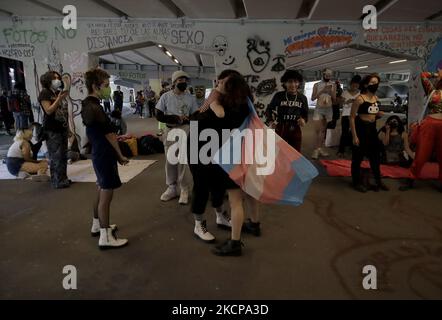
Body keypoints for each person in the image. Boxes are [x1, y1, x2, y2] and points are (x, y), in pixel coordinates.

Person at [210, 72, 260, 256]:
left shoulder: (225, 105)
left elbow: (211, 112)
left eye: (223, 82)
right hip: (247, 152)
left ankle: (235, 242)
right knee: (250, 191)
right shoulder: (247, 102)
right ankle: (255, 224)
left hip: (233, 156)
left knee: (235, 201)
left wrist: (214, 100)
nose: (219, 83)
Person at [188, 72, 241, 243]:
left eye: (226, 82)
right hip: (199, 146)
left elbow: (230, 122)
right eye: (220, 80)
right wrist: (215, 105)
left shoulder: (230, 100)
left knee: (219, 183)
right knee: (201, 185)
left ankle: (220, 216)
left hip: (218, 147)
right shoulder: (214, 97)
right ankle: (198, 224)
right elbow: (210, 116)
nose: (221, 83)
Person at [82, 68, 129, 249]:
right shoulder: (95, 108)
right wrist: (120, 155)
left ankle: (97, 225)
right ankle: (105, 236)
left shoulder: (88, 105)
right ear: (95, 86)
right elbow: (110, 135)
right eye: (106, 85)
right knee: (106, 195)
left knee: (101, 188)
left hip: (98, 153)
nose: (108, 89)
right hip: (104, 154)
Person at [155, 71, 199, 204]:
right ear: (174, 82)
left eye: (185, 80)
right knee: (170, 159)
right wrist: (173, 118)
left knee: (183, 161)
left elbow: (196, 115)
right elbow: (158, 114)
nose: (183, 82)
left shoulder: (190, 98)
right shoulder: (166, 97)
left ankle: (184, 189)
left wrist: (188, 119)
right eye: (180, 80)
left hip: (185, 129)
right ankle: (171, 188)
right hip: (170, 130)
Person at [400, 69, 442, 191]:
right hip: (429, 124)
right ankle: (411, 179)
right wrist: (436, 74)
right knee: (421, 154)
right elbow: (423, 75)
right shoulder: (432, 90)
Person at [350, 73, 389, 193]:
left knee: (375, 157)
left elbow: (373, 114)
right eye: (372, 82)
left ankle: (378, 180)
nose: (375, 85)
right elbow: (351, 118)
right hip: (361, 128)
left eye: (376, 83)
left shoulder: (376, 99)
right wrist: (354, 136)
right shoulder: (359, 99)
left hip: (372, 129)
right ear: (366, 84)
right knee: (358, 157)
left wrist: (378, 115)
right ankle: (356, 182)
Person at [38, 71, 71, 189]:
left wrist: (68, 128)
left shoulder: (56, 92)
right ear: (48, 80)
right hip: (52, 129)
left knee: (63, 155)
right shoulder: (44, 93)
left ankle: (63, 178)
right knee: (56, 156)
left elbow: (63, 112)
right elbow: (49, 110)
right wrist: (59, 99)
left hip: (61, 127)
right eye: (54, 78)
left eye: (58, 78)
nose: (57, 80)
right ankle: (57, 180)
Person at [266, 70, 308, 152]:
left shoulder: (302, 98)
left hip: (295, 128)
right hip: (281, 127)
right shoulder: (279, 95)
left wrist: (303, 120)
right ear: (285, 83)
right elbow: (269, 109)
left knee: (295, 152)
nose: (293, 84)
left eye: (296, 82)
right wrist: (271, 121)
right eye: (290, 82)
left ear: (299, 83)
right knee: (278, 152)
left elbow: (305, 114)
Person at [311, 68, 336, 159]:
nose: (328, 77)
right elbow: (313, 98)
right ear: (323, 74)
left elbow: (334, 99)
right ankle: (316, 150)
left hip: (328, 109)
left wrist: (331, 92)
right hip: (319, 108)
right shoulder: (317, 85)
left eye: (330, 75)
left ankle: (319, 149)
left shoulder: (333, 85)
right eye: (327, 75)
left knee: (323, 131)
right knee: (318, 131)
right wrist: (323, 90)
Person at [337, 75, 361, 157]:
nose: (355, 87)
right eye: (353, 85)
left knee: (356, 133)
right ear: (350, 84)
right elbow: (340, 104)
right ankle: (341, 150)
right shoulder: (345, 93)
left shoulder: (360, 94)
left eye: (357, 85)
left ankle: (354, 149)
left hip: (356, 115)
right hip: (346, 115)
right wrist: (347, 102)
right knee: (344, 133)